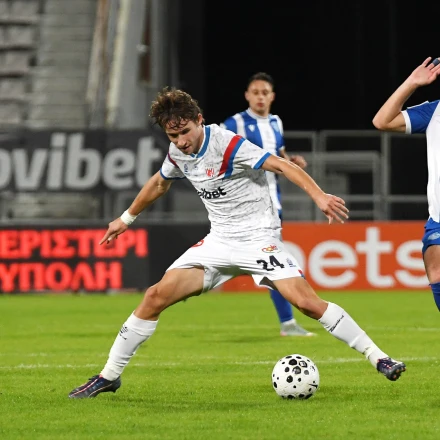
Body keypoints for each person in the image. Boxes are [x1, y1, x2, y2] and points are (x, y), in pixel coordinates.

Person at [69, 87, 405, 399]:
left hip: (258, 239)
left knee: (307, 304)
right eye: (173, 136)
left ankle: (379, 357)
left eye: (185, 132)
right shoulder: (177, 153)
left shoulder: (227, 144)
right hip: (219, 241)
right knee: (155, 296)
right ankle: (109, 376)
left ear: (199, 120)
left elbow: (281, 165)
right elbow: (159, 183)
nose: (181, 142)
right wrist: (126, 219)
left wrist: (319, 196)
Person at [221, 72, 314, 337]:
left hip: (273, 202)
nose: (260, 97)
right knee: (276, 262)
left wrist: (291, 162)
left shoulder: (276, 122)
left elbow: (278, 155)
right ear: (247, 95)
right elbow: (218, 154)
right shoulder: (235, 123)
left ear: (272, 96)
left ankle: (289, 321)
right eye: (255, 92)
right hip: (247, 204)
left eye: (264, 92)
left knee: (273, 261)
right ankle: (291, 321)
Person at [373, 56, 440, 310]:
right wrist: (412, 83)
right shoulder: (435, 112)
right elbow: (382, 121)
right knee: (436, 273)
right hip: (439, 218)